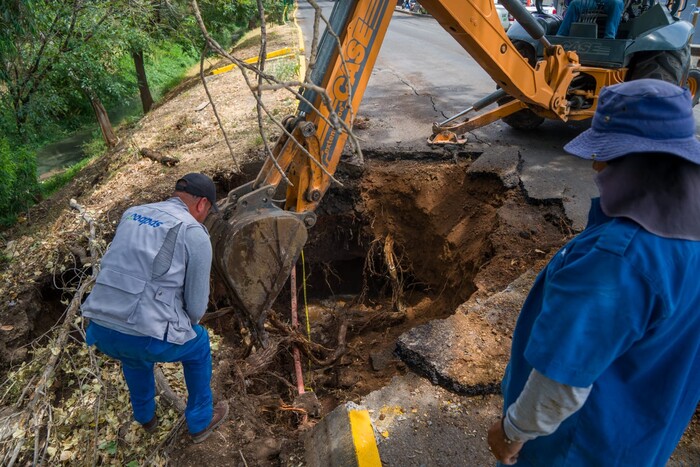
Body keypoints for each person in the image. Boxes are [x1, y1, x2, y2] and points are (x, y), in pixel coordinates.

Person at [487, 79, 700, 465]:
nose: (596, 163)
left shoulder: (618, 258)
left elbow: (562, 378)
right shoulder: (689, 232)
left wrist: (511, 433)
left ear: (629, 161)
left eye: (603, 152)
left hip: (578, 445)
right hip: (639, 438)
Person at [82, 173, 229, 444]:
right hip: (142, 338)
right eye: (208, 211)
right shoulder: (194, 232)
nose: (206, 216)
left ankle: (145, 416)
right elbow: (196, 307)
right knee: (198, 344)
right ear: (202, 204)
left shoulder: (132, 213)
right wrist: (185, 325)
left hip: (100, 329)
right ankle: (200, 420)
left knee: (134, 354)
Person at [556, 0, 624, 38]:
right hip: (593, 1)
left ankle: (609, 38)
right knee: (574, 4)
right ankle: (561, 36)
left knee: (617, 3)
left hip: (611, 2)